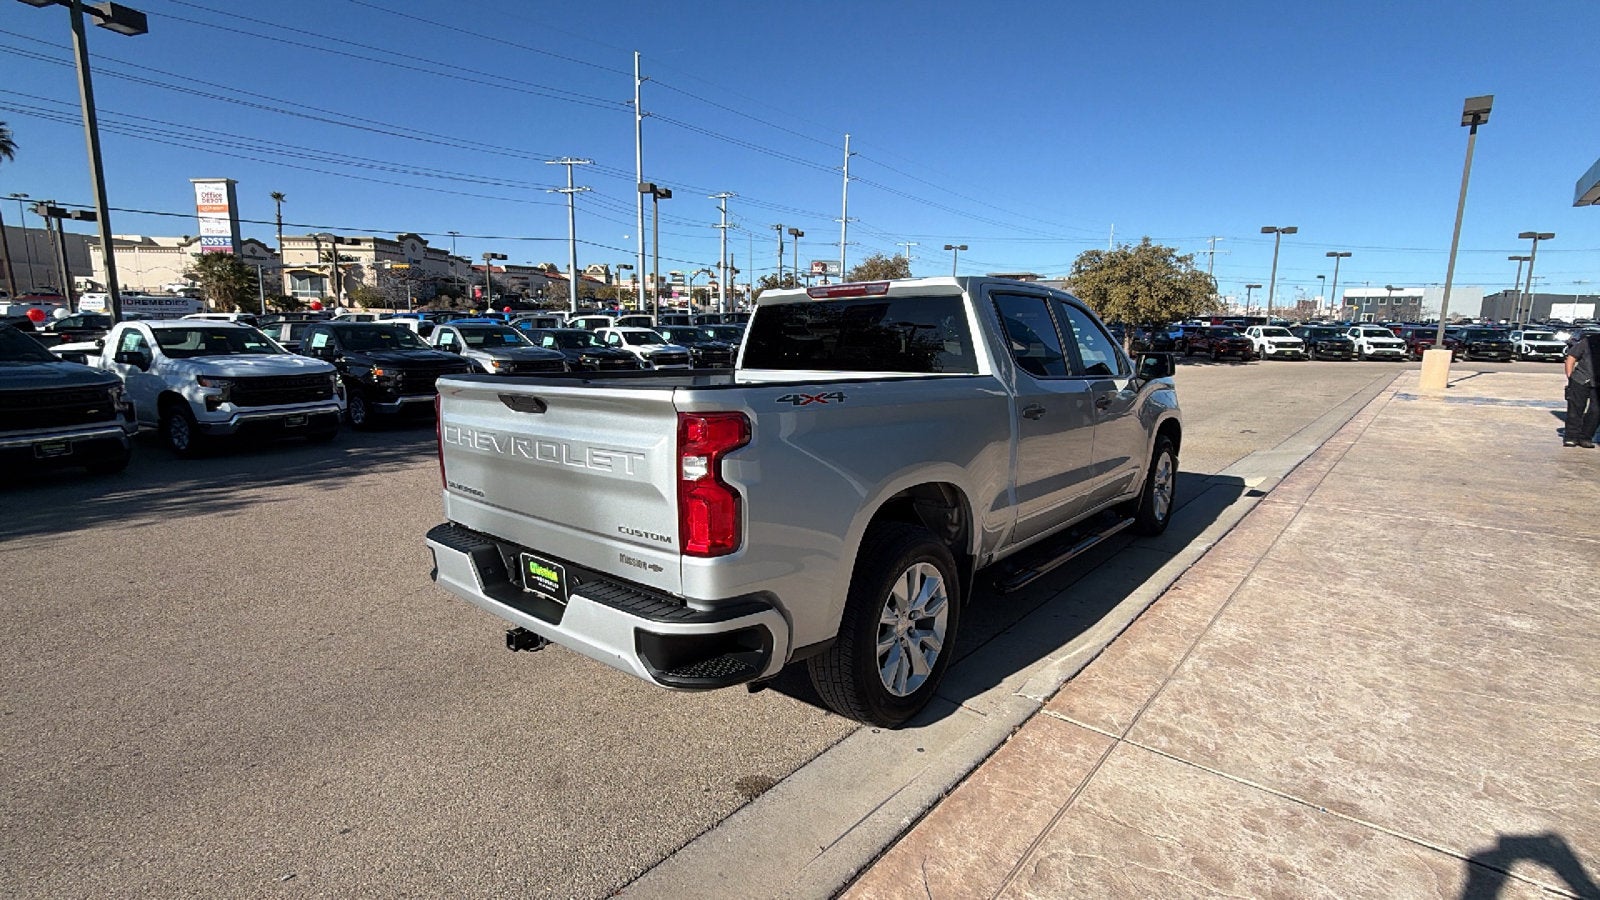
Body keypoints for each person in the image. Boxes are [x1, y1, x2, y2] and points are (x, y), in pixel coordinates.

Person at [1563, 330, 1599, 448]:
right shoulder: (1589, 341)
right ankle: (1571, 437)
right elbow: (1571, 358)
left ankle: (1585, 437)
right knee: (1575, 409)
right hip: (1581, 378)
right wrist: (1570, 377)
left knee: (1596, 411)